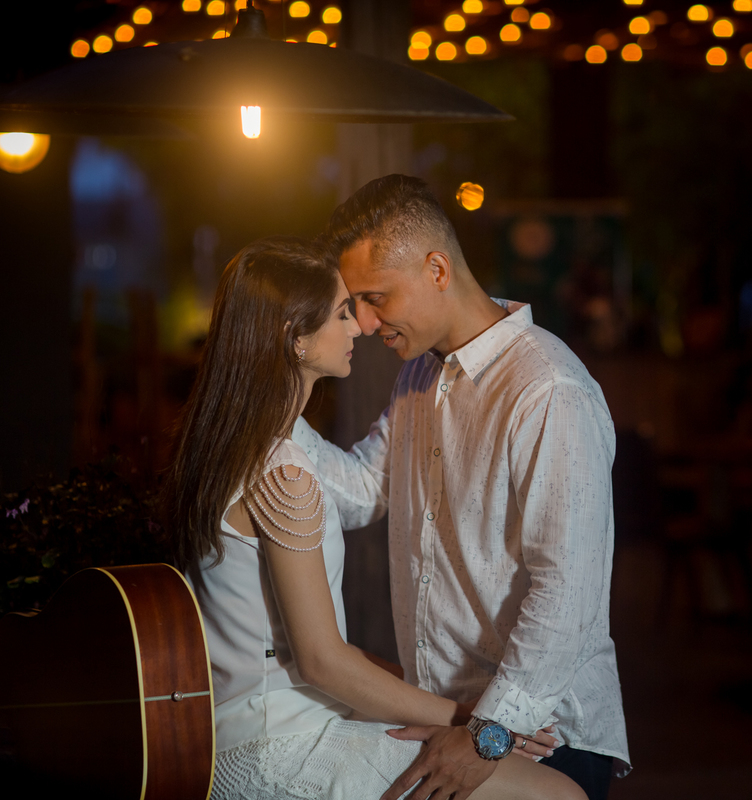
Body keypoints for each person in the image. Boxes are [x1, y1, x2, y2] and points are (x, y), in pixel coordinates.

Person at [162, 236, 581, 800]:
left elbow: (292, 644)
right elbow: (320, 661)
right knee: (558, 795)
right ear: (296, 339)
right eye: (340, 312)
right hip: (285, 744)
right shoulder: (283, 476)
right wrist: (479, 726)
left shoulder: (227, 450)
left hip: (234, 735)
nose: (360, 325)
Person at [291, 175, 630, 800]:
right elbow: (364, 488)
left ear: (438, 269)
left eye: (375, 298)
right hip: (452, 722)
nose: (364, 323)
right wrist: (270, 410)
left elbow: (569, 593)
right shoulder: (422, 373)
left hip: (543, 737)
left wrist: (487, 736)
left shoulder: (549, 389)